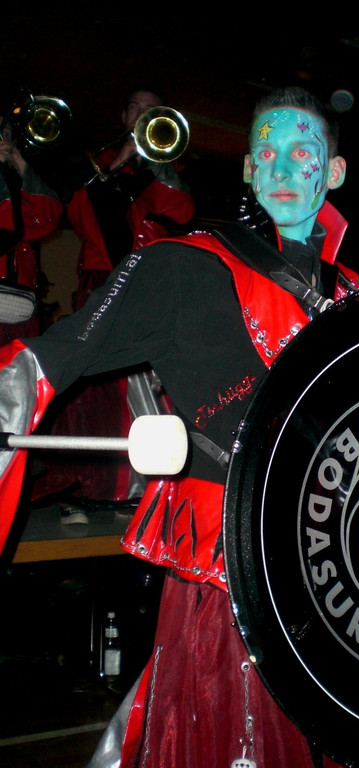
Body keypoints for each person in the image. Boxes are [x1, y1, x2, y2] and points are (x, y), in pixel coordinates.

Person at [0, 86, 359, 767]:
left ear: (334, 170)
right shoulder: (184, 264)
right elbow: (46, 361)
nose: (282, 169)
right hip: (229, 572)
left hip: (334, 577)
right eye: (266, 153)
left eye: (303, 153)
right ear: (249, 168)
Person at [31, 86, 196, 514]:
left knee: (150, 383)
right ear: (123, 115)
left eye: (151, 110)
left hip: (150, 285)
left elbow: (181, 213)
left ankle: (143, 484)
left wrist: (153, 166)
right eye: (136, 108)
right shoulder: (97, 162)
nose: (142, 116)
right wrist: (120, 160)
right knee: (96, 388)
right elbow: (78, 215)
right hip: (103, 280)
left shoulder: (167, 166)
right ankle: (96, 483)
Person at [0, 114, 63, 345]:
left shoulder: (17, 177)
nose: (1, 138)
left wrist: (18, 160)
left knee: (20, 363)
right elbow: (7, 224)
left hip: (19, 292)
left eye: (5, 133)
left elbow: (49, 218)